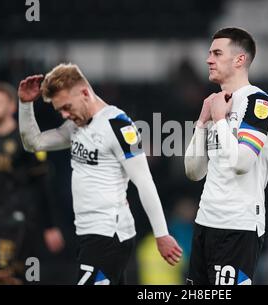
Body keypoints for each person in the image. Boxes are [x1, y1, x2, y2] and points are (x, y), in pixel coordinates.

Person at [17, 63, 182, 285]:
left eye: (67, 106)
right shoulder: (74, 126)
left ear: (85, 93)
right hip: (89, 234)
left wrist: (161, 234)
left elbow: (144, 182)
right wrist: (25, 105)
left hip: (109, 235)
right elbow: (33, 143)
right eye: (60, 111)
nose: (65, 114)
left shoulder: (119, 126)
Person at [184, 27, 268, 285]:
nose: (208, 60)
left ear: (239, 60)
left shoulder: (259, 103)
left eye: (216, 53)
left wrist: (219, 119)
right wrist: (202, 123)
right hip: (205, 221)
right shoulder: (217, 103)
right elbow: (193, 172)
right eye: (209, 53)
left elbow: (241, 162)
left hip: (238, 225)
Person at [0, 82, 64, 284]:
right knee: (11, 277)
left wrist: (50, 226)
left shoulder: (25, 140)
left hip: (19, 221)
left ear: (11, 107)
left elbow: (42, 185)